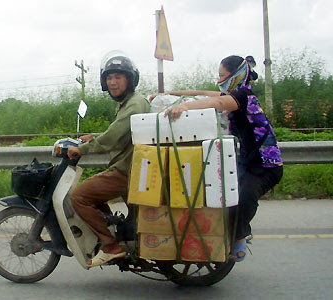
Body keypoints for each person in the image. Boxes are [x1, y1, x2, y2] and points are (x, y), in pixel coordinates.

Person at [149, 55, 283, 262]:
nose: (219, 80)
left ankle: (241, 236)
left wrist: (184, 108)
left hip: (266, 165)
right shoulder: (233, 93)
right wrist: (168, 94)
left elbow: (217, 101)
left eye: (222, 75)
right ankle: (230, 235)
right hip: (248, 162)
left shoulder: (243, 96)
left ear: (236, 75)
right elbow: (201, 94)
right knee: (225, 196)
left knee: (245, 197)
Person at [67, 51, 150, 268]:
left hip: (127, 172)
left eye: (118, 77)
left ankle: (111, 246)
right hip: (131, 168)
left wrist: (84, 148)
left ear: (130, 79)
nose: (112, 82)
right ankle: (116, 233)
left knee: (79, 196)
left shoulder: (134, 104)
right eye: (109, 78)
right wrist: (94, 138)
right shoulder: (129, 103)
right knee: (94, 195)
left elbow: (114, 136)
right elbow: (119, 133)